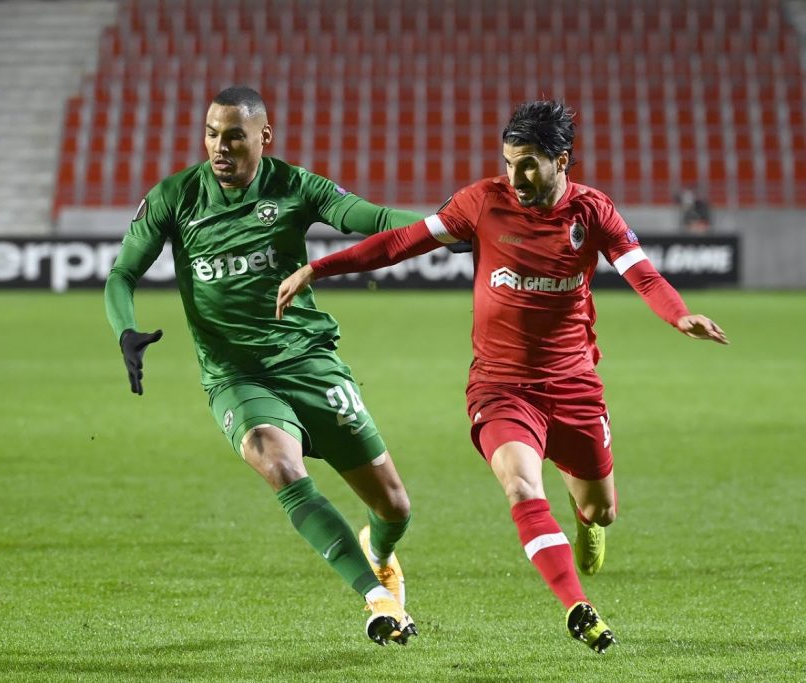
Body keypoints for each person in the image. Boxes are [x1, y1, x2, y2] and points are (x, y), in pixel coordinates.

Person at [276, 100, 728, 654]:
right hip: (500, 386)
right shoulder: (482, 202)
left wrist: (679, 315)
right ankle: (577, 606)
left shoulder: (593, 212)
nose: (516, 176)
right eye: (510, 162)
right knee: (520, 484)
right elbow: (400, 243)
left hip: (573, 384)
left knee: (601, 509)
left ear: (562, 160)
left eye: (529, 163)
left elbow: (644, 275)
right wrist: (318, 267)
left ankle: (586, 519)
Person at [105, 86, 427, 646]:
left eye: (234, 136)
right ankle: (377, 598)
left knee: (394, 506)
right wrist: (125, 330)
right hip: (235, 376)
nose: (219, 147)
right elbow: (122, 274)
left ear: (264, 137)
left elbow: (371, 217)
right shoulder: (176, 197)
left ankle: (380, 554)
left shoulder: (294, 186)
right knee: (278, 463)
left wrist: (441, 229)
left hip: (308, 361)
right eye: (211, 134)